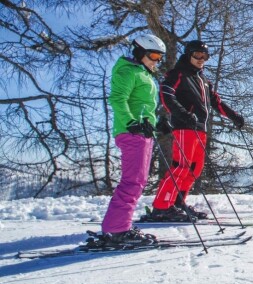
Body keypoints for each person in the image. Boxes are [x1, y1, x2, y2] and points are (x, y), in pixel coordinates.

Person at [145, 40, 245, 222]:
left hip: (200, 129)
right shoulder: (178, 74)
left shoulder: (203, 80)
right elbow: (166, 94)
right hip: (184, 126)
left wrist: (234, 116)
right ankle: (161, 207)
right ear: (188, 55)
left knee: (194, 169)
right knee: (181, 167)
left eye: (204, 56)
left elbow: (216, 102)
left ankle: (177, 203)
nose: (201, 59)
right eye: (197, 56)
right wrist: (182, 114)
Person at [97, 34, 167, 246]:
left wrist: (157, 124)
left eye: (160, 57)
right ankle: (117, 230)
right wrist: (131, 123)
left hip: (142, 133)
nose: (157, 61)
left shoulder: (142, 73)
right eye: (154, 55)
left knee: (138, 181)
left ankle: (117, 226)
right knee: (133, 181)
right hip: (132, 133)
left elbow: (143, 106)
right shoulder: (128, 71)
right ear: (139, 51)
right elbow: (118, 99)